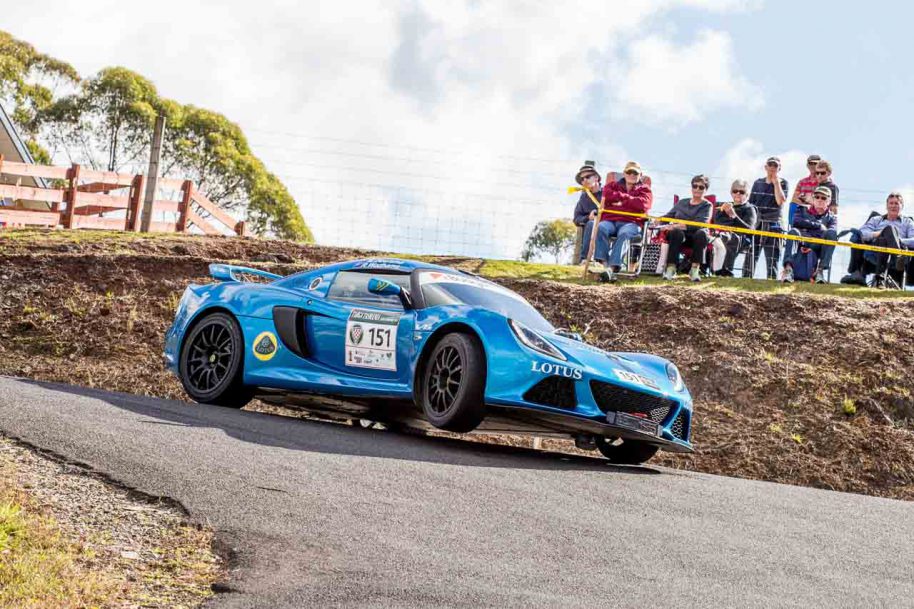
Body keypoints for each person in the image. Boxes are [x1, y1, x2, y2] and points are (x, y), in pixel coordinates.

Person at [594, 160, 653, 282]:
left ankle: (612, 268)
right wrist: (631, 202)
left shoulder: (645, 190)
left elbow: (643, 205)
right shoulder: (612, 185)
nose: (632, 175)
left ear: (640, 175)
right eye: (629, 172)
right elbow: (607, 195)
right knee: (601, 228)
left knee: (624, 234)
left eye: (635, 173)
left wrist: (620, 200)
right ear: (624, 173)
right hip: (610, 220)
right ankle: (604, 265)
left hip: (632, 223)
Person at [840, 192, 914, 287]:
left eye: (896, 203)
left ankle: (882, 273)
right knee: (886, 233)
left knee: (889, 231)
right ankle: (896, 257)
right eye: (891, 203)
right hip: (875, 251)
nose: (893, 206)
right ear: (886, 206)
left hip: (901, 251)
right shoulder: (876, 219)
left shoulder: (908, 222)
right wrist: (879, 233)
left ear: (902, 206)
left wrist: (898, 240)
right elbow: (862, 233)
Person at [658, 175, 714, 282]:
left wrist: (677, 225)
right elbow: (667, 216)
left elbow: (700, 224)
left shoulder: (707, 205)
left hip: (697, 236)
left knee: (701, 233)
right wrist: (658, 221)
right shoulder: (682, 202)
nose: (697, 189)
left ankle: (694, 269)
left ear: (706, 190)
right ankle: (671, 268)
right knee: (676, 232)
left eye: (701, 187)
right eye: (695, 186)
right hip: (679, 235)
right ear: (691, 187)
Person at [781, 186, 838, 283]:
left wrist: (806, 226)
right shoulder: (802, 209)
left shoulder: (832, 217)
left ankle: (819, 272)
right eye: (817, 197)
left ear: (829, 201)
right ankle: (788, 270)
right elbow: (796, 222)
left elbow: (831, 231)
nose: (820, 200)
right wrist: (819, 226)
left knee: (832, 234)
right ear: (813, 198)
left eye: (823, 198)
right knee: (793, 232)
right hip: (801, 241)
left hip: (819, 246)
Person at [744, 156, 789, 279]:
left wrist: (776, 183)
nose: (773, 168)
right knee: (751, 256)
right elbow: (751, 204)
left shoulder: (783, 183)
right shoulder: (758, 183)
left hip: (774, 224)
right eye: (771, 165)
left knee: (773, 259)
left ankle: (771, 282)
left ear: (779, 168)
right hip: (757, 223)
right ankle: (746, 280)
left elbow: (780, 201)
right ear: (766, 167)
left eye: (776, 166)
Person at [711, 179, 757, 276]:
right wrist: (720, 212)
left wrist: (733, 216)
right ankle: (706, 267)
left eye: (742, 192)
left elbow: (750, 230)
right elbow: (716, 222)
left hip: (740, 237)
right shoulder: (724, 206)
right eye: (735, 191)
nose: (738, 194)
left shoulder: (749, 208)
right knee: (712, 235)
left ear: (747, 195)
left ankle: (726, 269)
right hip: (721, 233)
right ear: (731, 193)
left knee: (729, 238)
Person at [572, 162, 602, 264]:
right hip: (590, 227)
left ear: (596, 178)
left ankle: (601, 261)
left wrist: (599, 215)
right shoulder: (583, 198)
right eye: (582, 179)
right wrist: (588, 218)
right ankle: (585, 260)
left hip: (607, 225)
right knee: (590, 224)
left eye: (588, 177)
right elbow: (576, 219)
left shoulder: (607, 193)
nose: (584, 180)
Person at [788, 154, 821, 227]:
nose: (813, 165)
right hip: (802, 213)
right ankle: (793, 226)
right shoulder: (802, 181)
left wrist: (804, 198)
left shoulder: (823, 181)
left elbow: (822, 201)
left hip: (817, 215)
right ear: (807, 165)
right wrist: (810, 200)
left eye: (815, 163)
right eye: (810, 163)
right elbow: (794, 199)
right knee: (793, 205)